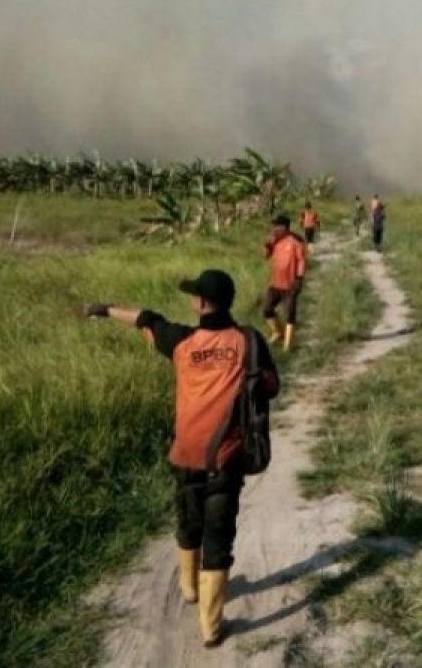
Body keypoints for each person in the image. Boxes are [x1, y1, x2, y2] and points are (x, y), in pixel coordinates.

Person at [83, 270, 280, 648]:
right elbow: (271, 387)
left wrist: (105, 309)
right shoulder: (249, 340)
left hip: (186, 456)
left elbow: (146, 318)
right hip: (226, 459)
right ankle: (210, 627)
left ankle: (189, 588)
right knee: (219, 539)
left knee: (188, 524)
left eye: (194, 296)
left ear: (201, 303)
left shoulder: (181, 342)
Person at [263, 214, 306, 351]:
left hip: (290, 285)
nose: (273, 229)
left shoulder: (295, 241)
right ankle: (277, 332)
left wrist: (299, 278)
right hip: (275, 283)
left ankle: (288, 346)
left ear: (284, 227)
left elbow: (301, 260)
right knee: (267, 309)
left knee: (290, 314)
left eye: (276, 226)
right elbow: (265, 256)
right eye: (273, 226)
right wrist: (267, 245)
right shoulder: (274, 240)